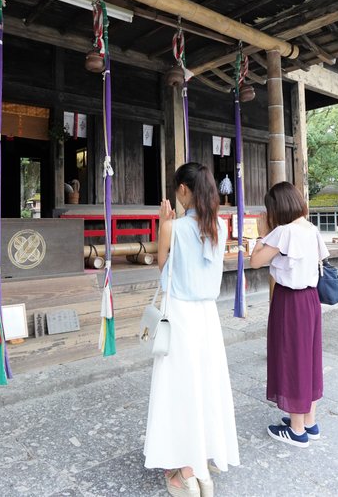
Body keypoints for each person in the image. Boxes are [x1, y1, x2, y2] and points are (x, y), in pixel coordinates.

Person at [144, 162, 240, 497]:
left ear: (183, 190)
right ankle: (202, 470)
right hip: (208, 317)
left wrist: (162, 225)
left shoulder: (174, 227)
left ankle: (184, 473)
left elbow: (162, 269)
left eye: (177, 189)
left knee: (179, 389)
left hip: (179, 315)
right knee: (204, 386)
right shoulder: (220, 227)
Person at [250, 181, 329, 448]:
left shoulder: (284, 232)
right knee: (308, 357)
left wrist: (261, 234)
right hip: (311, 300)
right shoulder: (311, 228)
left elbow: (255, 261)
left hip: (291, 301)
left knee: (293, 358)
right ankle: (309, 421)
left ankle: (296, 431)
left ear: (277, 207)